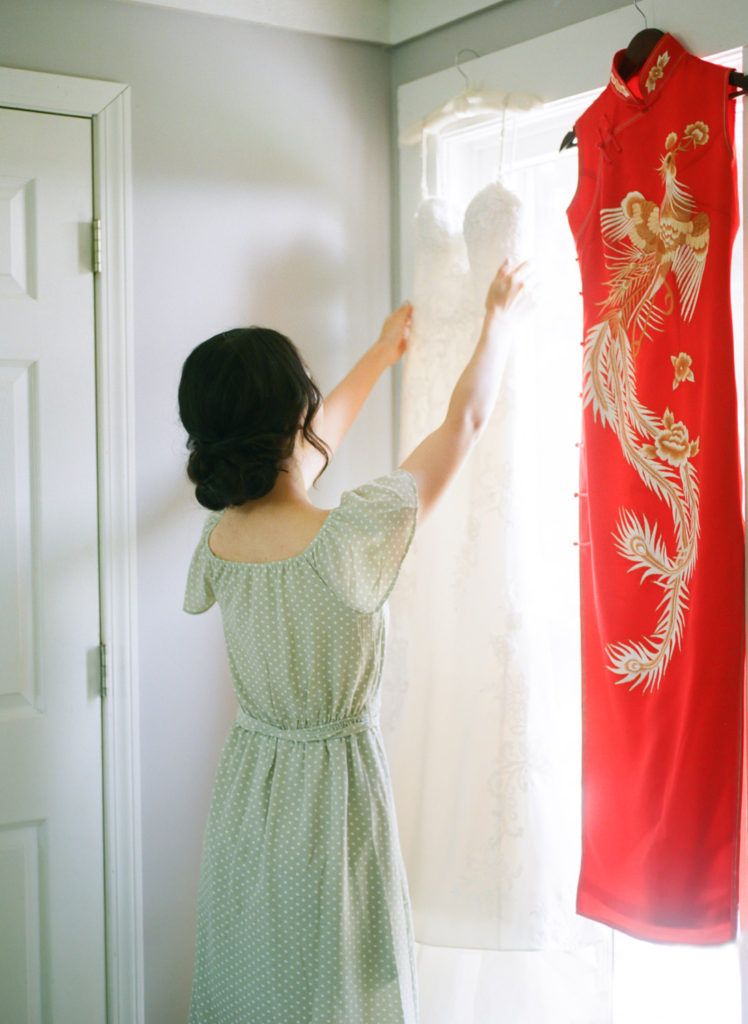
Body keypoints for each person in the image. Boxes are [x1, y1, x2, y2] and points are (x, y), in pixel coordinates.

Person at [179, 258, 525, 1024]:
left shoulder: (222, 538)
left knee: (257, 973)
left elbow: (307, 447)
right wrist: (496, 320)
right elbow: (463, 425)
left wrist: (378, 355)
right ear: (291, 423)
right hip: (331, 799)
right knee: (336, 986)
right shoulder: (350, 540)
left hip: (249, 796)